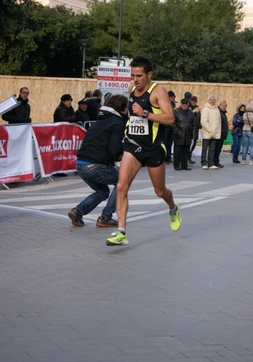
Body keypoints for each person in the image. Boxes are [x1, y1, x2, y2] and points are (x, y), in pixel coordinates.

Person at [106, 55, 182, 246]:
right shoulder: (131, 89)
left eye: (139, 76)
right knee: (121, 186)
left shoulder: (158, 91)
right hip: (132, 145)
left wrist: (145, 113)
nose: (135, 80)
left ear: (149, 74)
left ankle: (173, 208)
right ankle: (121, 231)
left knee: (160, 191)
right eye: (133, 75)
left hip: (153, 148)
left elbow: (170, 118)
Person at [68, 95, 128, 228]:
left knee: (102, 192)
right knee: (122, 182)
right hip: (95, 165)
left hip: (81, 164)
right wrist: (126, 150)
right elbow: (114, 149)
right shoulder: (117, 123)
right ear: (123, 109)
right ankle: (105, 217)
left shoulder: (100, 121)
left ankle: (77, 211)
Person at [171, 98, 195, 171]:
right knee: (177, 151)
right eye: (183, 104)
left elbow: (193, 124)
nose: (184, 105)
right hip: (179, 134)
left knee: (186, 151)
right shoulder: (176, 112)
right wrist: (177, 131)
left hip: (187, 134)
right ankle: (176, 165)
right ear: (181, 104)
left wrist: (193, 135)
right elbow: (172, 123)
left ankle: (184, 165)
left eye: (186, 104)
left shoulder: (190, 112)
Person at [200, 95, 221, 170]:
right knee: (204, 149)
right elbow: (204, 121)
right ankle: (204, 163)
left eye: (214, 100)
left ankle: (211, 163)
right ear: (208, 100)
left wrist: (216, 131)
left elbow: (218, 122)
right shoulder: (205, 109)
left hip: (215, 133)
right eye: (211, 100)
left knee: (212, 149)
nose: (213, 101)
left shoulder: (217, 109)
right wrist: (210, 130)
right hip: (207, 133)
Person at [214, 100, 229, 168]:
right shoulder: (218, 112)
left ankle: (216, 161)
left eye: (225, 106)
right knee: (216, 148)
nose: (224, 107)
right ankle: (215, 162)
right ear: (219, 105)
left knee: (219, 148)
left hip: (222, 134)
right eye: (223, 105)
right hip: (218, 133)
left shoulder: (223, 113)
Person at [188, 95, 201, 164]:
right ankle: (187, 157)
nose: (193, 102)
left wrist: (200, 125)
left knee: (194, 143)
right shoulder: (189, 108)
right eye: (192, 100)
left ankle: (189, 157)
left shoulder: (198, 108)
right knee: (190, 143)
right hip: (191, 128)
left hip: (196, 128)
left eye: (195, 101)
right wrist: (194, 111)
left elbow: (199, 118)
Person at [164, 90, 176, 164]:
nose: (173, 98)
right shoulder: (165, 104)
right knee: (165, 143)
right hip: (165, 126)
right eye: (172, 97)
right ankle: (164, 157)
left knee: (169, 143)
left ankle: (168, 157)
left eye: (174, 97)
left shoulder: (173, 104)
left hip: (171, 126)